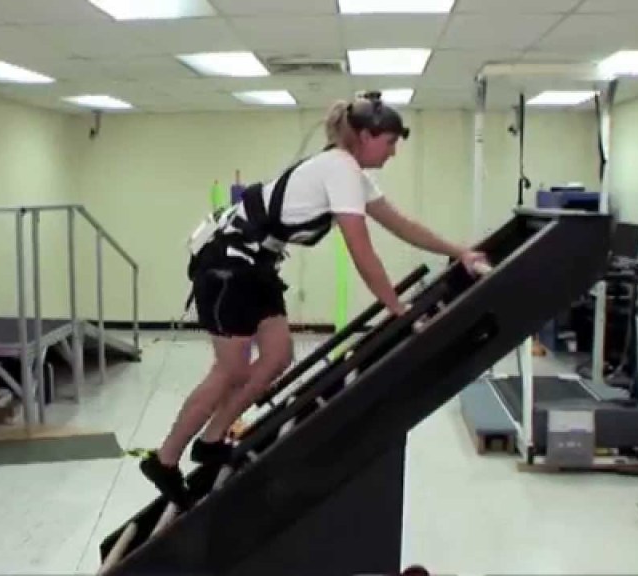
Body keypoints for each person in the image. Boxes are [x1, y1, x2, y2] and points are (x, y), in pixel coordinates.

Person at [140, 91, 489, 508]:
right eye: (390, 142)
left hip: (256, 266)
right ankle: (164, 460)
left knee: (276, 356)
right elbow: (362, 251)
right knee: (230, 370)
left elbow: (401, 225)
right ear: (364, 135)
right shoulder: (339, 169)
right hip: (226, 266)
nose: (394, 152)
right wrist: (400, 310)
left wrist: (459, 251)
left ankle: (213, 439)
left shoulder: (351, 173)